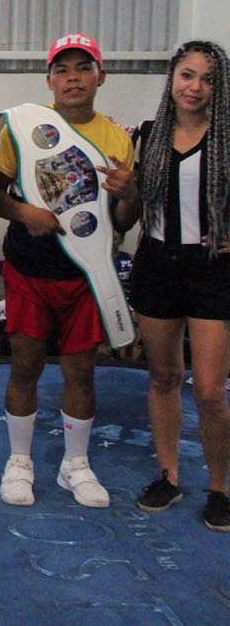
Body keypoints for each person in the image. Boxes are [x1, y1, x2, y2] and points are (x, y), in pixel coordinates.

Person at [0, 32, 138, 509]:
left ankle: (76, 464)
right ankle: (19, 460)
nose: (73, 78)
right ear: (49, 79)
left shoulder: (117, 138)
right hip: (29, 267)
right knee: (25, 365)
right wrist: (24, 213)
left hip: (86, 275)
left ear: (100, 77)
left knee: (81, 371)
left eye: (83, 68)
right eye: (63, 70)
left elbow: (122, 221)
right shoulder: (23, 128)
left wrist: (130, 193)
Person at [121, 41, 230, 531]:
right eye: (188, 75)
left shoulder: (227, 138)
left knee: (209, 390)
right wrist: (126, 192)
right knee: (163, 376)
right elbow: (126, 216)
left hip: (212, 270)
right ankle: (168, 475)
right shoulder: (147, 137)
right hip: (157, 264)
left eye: (208, 79)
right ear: (172, 79)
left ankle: (219, 488)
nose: (196, 87)